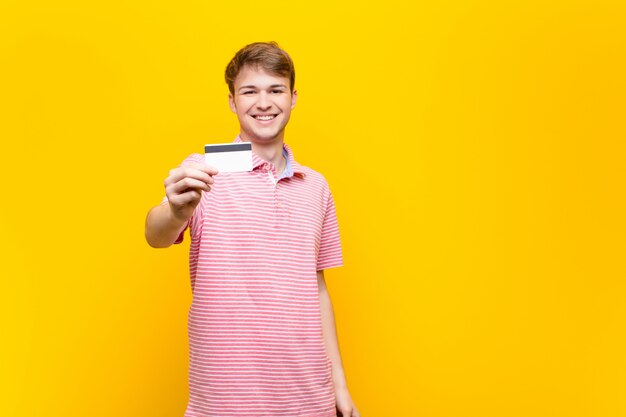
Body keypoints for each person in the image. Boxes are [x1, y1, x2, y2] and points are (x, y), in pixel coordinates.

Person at [145, 41, 359, 417]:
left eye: (275, 90)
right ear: (231, 101)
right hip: (226, 397)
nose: (264, 102)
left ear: (293, 98)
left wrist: (340, 385)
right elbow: (155, 235)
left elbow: (317, 287)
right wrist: (177, 211)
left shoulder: (315, 185)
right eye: (249, 91)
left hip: (308, 396)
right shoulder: (205, 169)